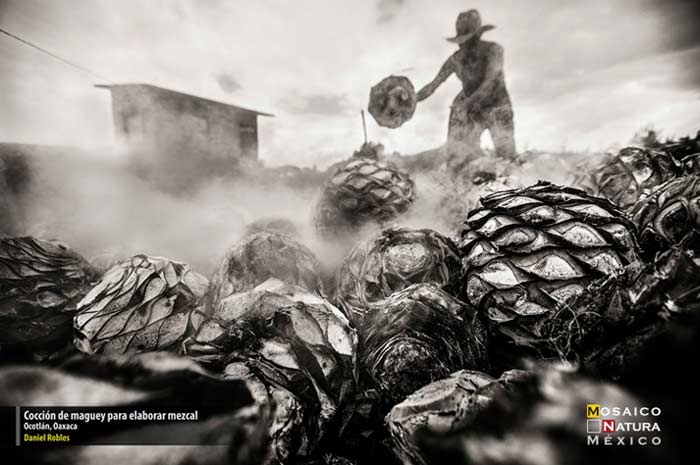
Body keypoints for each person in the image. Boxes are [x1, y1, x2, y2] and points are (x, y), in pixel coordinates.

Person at [416, 9, 516, 161]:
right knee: (460, 158)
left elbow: (490, 82)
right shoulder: (455, 60)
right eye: (461, 42)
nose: (463, 47)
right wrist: (412, 100)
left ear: (477, 37)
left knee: (507, 158)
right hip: (473, 112)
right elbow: (433, 85)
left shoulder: (493, 50)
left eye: (468, 41)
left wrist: (465, 105)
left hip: (498, 106)